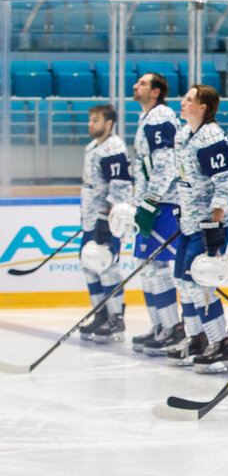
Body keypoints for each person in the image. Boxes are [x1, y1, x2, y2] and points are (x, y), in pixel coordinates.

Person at [166, 84, 228, 372]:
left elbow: (227, 181)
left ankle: (220, 342)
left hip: (208, 224)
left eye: (188, 99)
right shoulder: (183, 135)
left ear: (204, 107)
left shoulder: (211, 138)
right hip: (189, 221)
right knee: (183, 282)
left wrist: (215, 220)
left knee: (201, 282)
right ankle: (197, 337)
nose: (182, 102)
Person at [130, 72, 183, 357]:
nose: (135, 86)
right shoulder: (147, 118)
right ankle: (159, 326)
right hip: (151, 203)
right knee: (145, 266)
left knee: (157, 267)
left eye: (142, 83)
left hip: (162, 204)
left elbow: (166, 164)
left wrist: (151, 200)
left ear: (156, 91)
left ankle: (172, 328)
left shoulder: (160, 118)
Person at [78, 104, 133, 343]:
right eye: (90, 120)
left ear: (108, 123)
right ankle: (100, 313)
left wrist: (105, 219)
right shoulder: (92, 147)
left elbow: (120, 187)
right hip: (90, 220)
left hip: (107, 221)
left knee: (107, 266)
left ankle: (116, 316)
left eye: (96, 120)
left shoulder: (114, 149)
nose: (91, 124)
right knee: (88, 265)